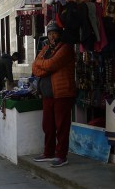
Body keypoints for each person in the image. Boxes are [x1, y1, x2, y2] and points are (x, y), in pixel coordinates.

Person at [32, 20, 76, 168]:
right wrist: (45, 67)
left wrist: (44, 66)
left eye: (54, 33)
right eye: (49, 33)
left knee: (61, 126)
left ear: (60, 34)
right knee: (48, 126)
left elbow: (51, 64)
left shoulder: (66, 48)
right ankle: (48, 152)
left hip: (62, 94)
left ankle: (61, 155)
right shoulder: (45, 49)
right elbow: (35, 67)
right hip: (47, 94)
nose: (51, 36)